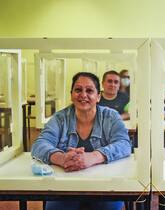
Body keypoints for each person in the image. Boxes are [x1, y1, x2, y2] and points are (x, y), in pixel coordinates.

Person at [31, 72, 131, 210]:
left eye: (89, 90)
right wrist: (61, 158)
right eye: (78, 90)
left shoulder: (111, 116)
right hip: (65, 189)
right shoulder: (60, 118)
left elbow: (125, 144)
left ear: (98, 96)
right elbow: (39, 144)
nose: (83, 95)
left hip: (104, 188)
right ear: (71, 94)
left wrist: (93, 157)